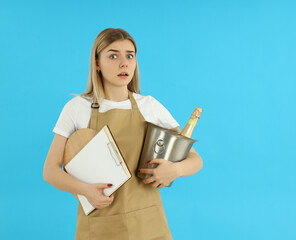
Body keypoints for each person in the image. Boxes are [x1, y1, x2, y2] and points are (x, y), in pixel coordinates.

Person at [43, 28, 203, 240]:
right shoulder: (77, 108)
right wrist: (85, 190)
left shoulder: (150, 107)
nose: (124, 63)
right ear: (97, 63)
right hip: (100, 227)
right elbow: (50, 171)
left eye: (130, 55)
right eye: (113, 55)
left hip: (148, 224)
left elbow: (195, 159)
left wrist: (175, 169)